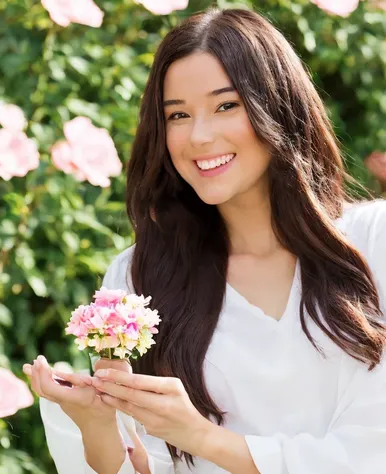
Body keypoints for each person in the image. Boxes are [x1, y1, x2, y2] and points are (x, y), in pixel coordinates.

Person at [22, 7, 386, 474]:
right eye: (177, 115)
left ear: (278, 106)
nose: (199, 136)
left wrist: (199, 436)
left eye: (226, 106)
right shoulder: (142, 277)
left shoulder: (371, 242)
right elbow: (146, 463)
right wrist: (97, 425)